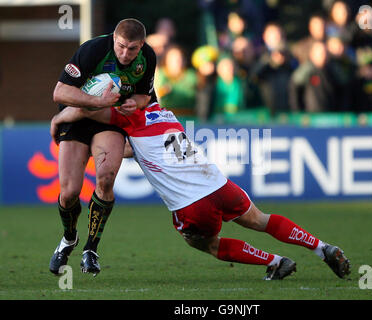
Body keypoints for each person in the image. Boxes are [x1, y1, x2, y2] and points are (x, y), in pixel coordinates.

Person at [49, 103, 351, 281]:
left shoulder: (127, 115)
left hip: (192, 204)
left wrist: (61, 117)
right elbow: (138, 149)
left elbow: (91, 110)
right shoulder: (164, 113)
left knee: (205, 244)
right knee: (262, 219)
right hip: (219, 185)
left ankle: (273, 262)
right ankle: (320, 247)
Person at [49, 18, 157, 276]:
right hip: (78, 118)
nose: (125, 54)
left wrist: (136, 103)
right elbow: (60, 92)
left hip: (109, 121)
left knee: (106, 179)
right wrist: (96, 100)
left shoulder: (148, 58)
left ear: (141, 45)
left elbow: (146, 96)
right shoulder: (93, 50)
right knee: (69, 192)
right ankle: (69, 238)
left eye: (132, 49)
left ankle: (91, 248)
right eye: (121, 46)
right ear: (114, 39)